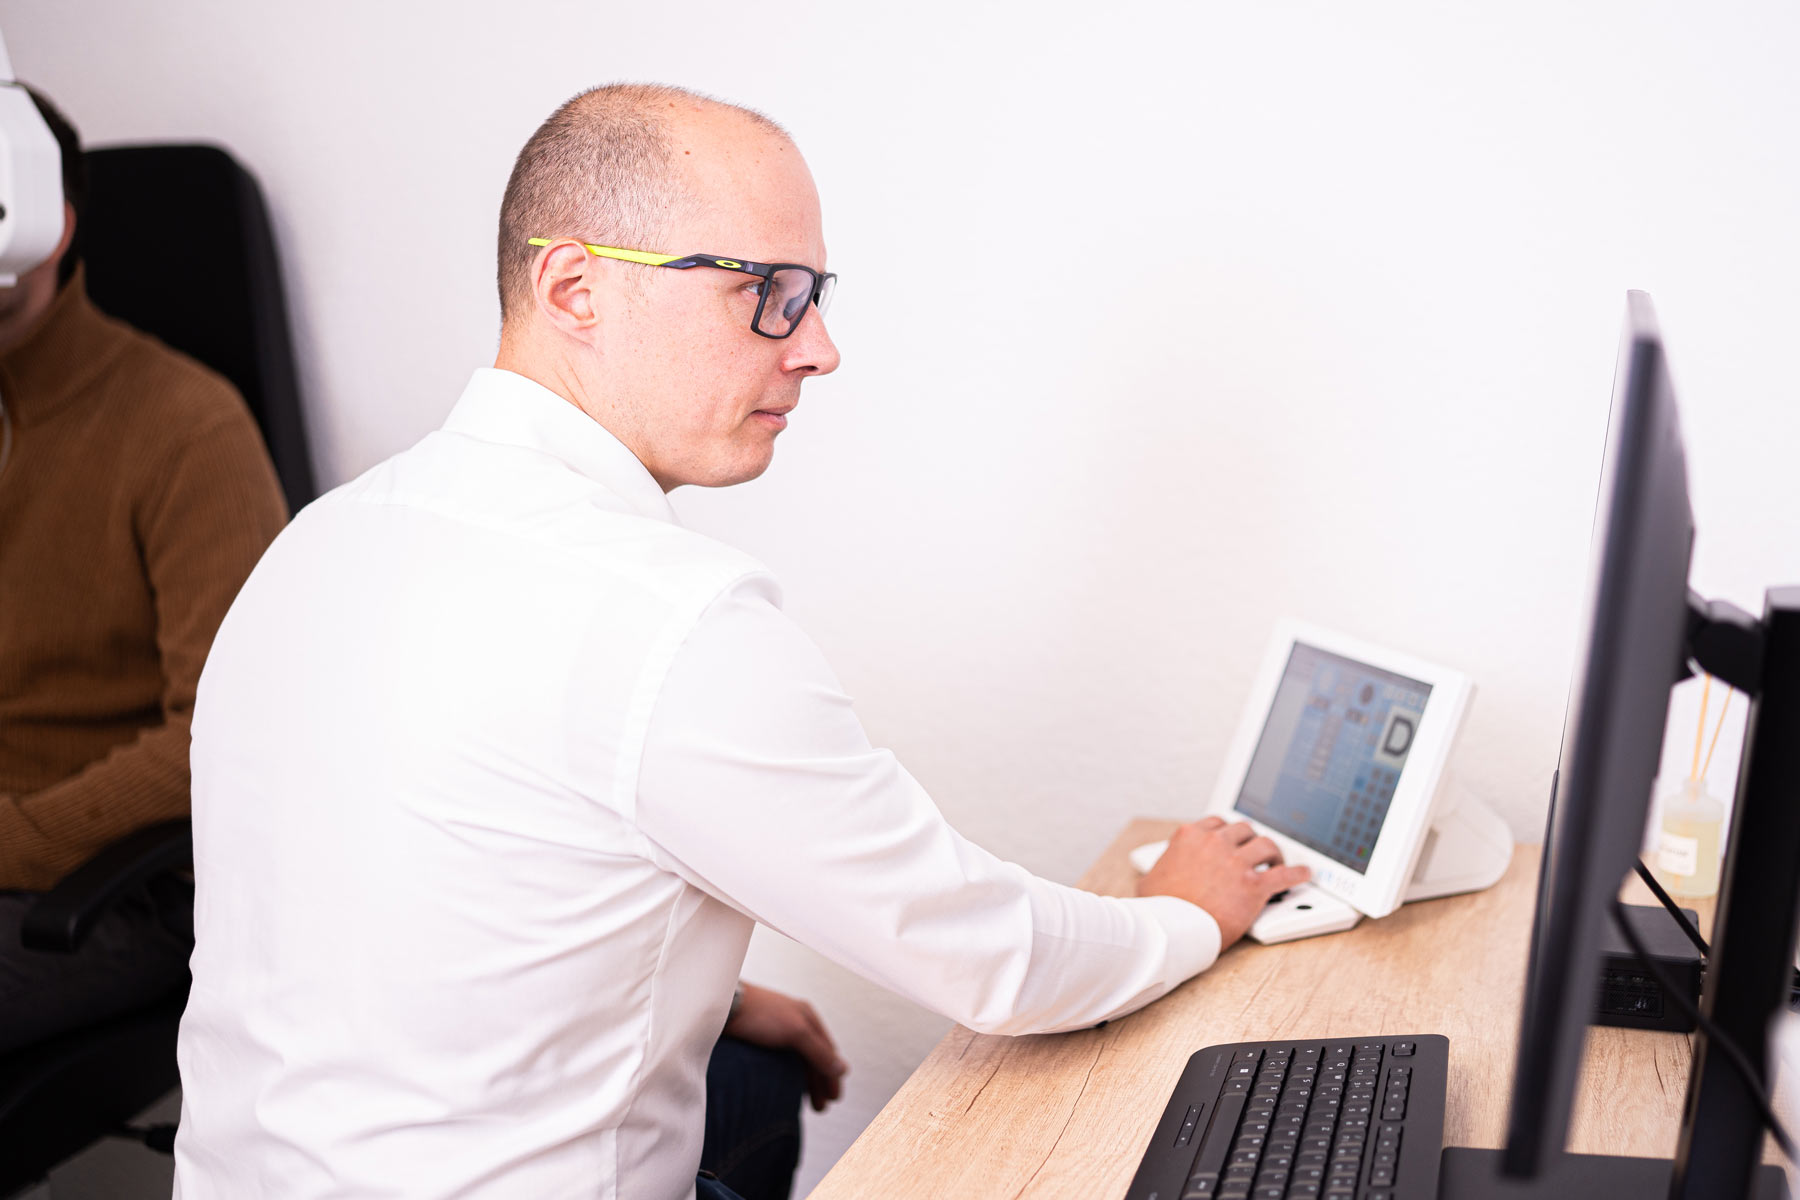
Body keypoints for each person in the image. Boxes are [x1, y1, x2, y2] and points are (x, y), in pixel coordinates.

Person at [173, 83, 1306, 1200]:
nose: (818, 348)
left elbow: (380, 896)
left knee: (756, 1072)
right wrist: (1187, 911)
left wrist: (714, 999)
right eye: (767, 292)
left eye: (813, 294)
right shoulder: (665, 620)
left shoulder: (319, 540)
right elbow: (992, 961)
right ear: (575, 288)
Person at [0, 89, 288, 1053]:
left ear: (50, 223)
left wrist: (14, 841)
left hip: (114, 886)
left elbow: (218, 733)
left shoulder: (184, 428)